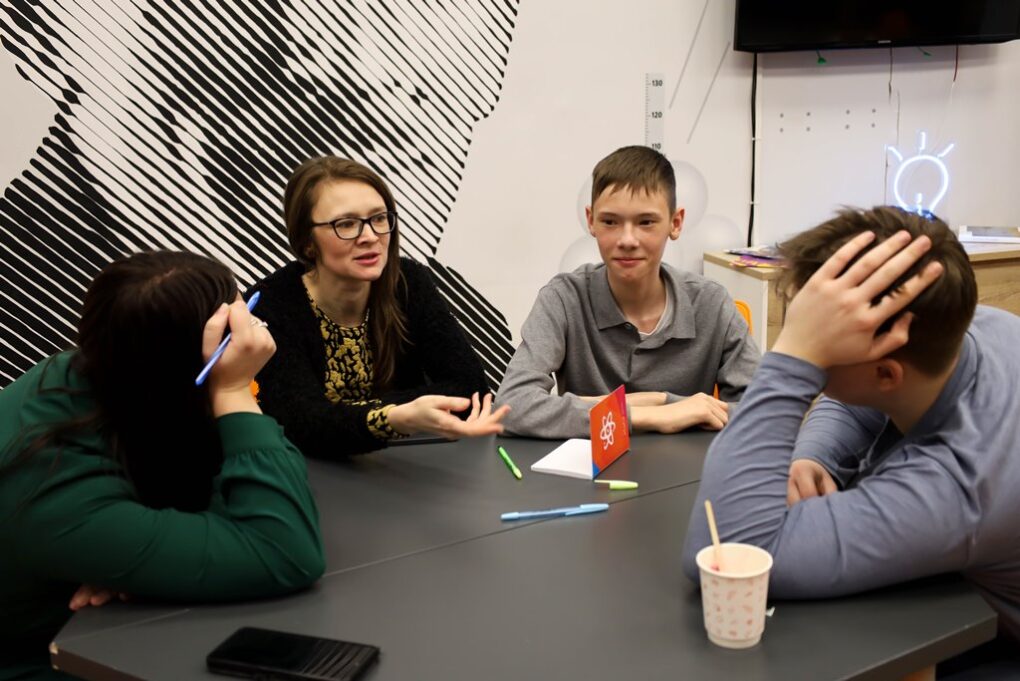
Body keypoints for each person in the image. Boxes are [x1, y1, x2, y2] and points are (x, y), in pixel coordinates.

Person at [682, 206, 1020, 672]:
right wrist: (815, 455)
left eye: (823, 349)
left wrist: (792, 358)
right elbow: (858, 400)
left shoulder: (960, 486)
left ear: (885, 373)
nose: (809, 346)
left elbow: (725, 553)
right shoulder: (970, 326)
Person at [0, 251, 325, 680]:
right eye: (235, 328)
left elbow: (238, 489)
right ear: (191, 367)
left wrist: (134, 554)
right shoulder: (53, 493)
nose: (256, 332)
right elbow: (286, 550)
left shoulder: (102, 373)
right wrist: (232, 391)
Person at [247, 157, 507, 459]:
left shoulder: (408, 282)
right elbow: (301, 423)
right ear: (307, 241)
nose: (370, 237)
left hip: (403, 465)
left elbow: (469, 389)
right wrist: (396, 417)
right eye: (346, 224)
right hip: (309, 471)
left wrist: (349, 416)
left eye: (379, 218)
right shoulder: (270, 305)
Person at [495, 145, 759, 439]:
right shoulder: (564, 298)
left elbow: (766, 414)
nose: (627, 240)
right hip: (587, 468)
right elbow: (511, 407)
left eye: (646, 222)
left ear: (675, 223)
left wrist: (656, 400)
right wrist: (653, 411)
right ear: (591, 221)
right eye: (610, 222)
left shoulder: (711, 303)